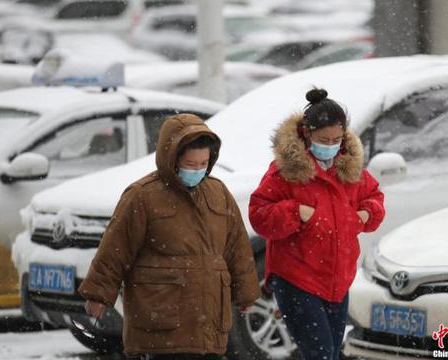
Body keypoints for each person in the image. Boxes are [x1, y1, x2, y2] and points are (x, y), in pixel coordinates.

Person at [78, 114, 261, 360]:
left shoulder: (218, 193)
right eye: (190, 164)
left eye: (203, 164)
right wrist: (98, 293)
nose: (197, 170)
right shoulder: (143, 196)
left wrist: (246, 292)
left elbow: (237, 247)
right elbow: (116, 248)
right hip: (161, 320)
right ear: (172, 159)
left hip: (209, 323)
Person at [248, 88, 385, 360]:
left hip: (338, 278)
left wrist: (367, 213)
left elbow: (374, 197)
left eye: (336, 139)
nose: (331, 145)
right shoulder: (285, 171)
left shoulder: (350, 168)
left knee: (331, 353)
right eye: (324, 139)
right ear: (307, 135)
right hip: (298, 278)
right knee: (320, 355)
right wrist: (295, 211)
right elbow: (260, 215)